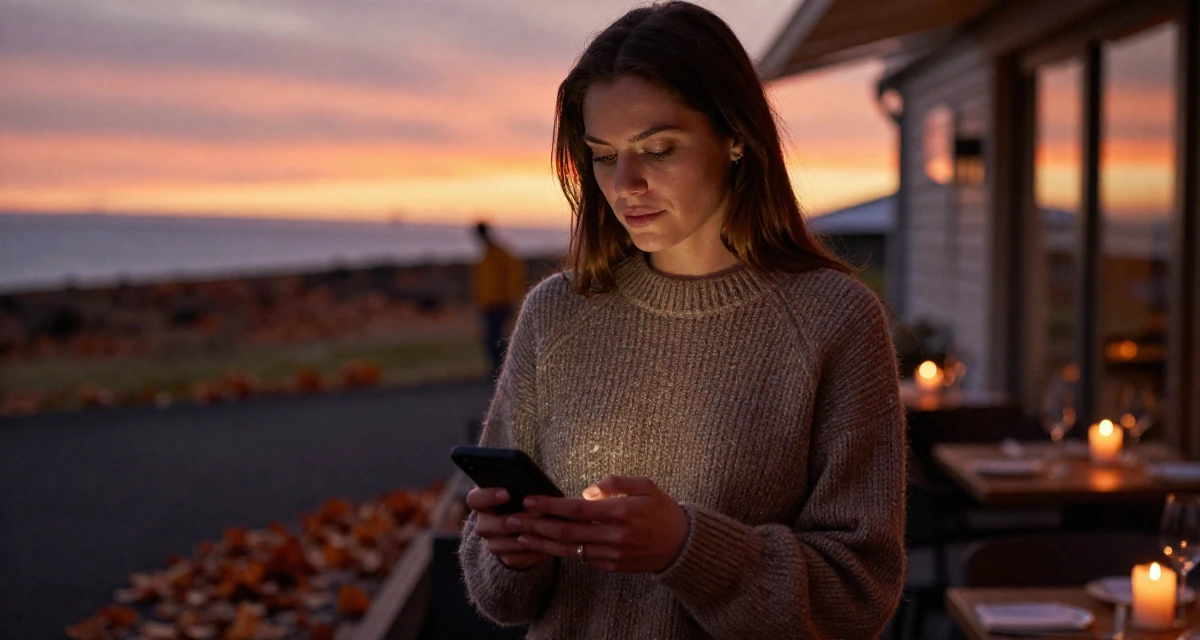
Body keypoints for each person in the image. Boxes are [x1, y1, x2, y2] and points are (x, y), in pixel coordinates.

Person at [458, 2, 906, 638]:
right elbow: (498, 593)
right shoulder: (556, 313)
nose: (626, 184)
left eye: (659, 149)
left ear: (735, 136)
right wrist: (510, 549)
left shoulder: (832, 321)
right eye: (604, 155)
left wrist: (688, 549)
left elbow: (858, 594)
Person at [471, 221, 528, 381]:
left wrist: (512, 299)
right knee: (490, 339)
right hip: (488, 305)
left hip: (501, 304)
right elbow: (481, 284)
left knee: (497, 339)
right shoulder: (485, 257)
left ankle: (504, 372)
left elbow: (514, 277)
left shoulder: (501, 255)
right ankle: (497, 371)